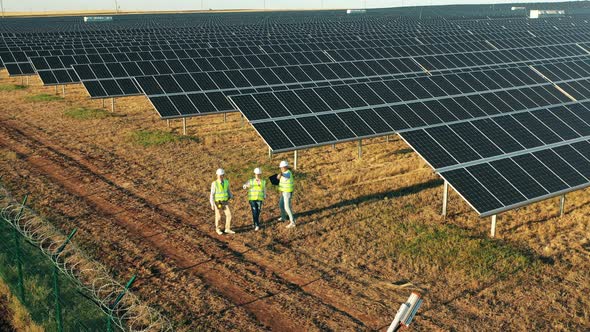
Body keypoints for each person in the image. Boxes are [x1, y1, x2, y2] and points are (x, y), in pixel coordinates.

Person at [210, 168, 235, 235]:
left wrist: (231, 196)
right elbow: (212, 194)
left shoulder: (226, 182)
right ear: (217, 175)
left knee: (229, 215)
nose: (221, 177)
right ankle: (217, 229)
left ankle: (227, 229)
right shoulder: (214, 183)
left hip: (224, 202)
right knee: (218, 216)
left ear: (223, 175)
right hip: (217, 202)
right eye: (219, 175)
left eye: (222, 175)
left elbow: (228, 190)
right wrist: (212, 204)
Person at [277, 160, 295, 228]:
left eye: (282, 167)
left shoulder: (288, 173)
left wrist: (281, 174)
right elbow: (279, 177)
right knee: (281, 205)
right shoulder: (283, 172)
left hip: (287, 193)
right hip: (284, 192)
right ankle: (283, 217)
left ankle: (292, 222)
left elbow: (286, 176)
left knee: (287, 207)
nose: (281, 169)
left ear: (286, 167)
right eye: (281, 167)